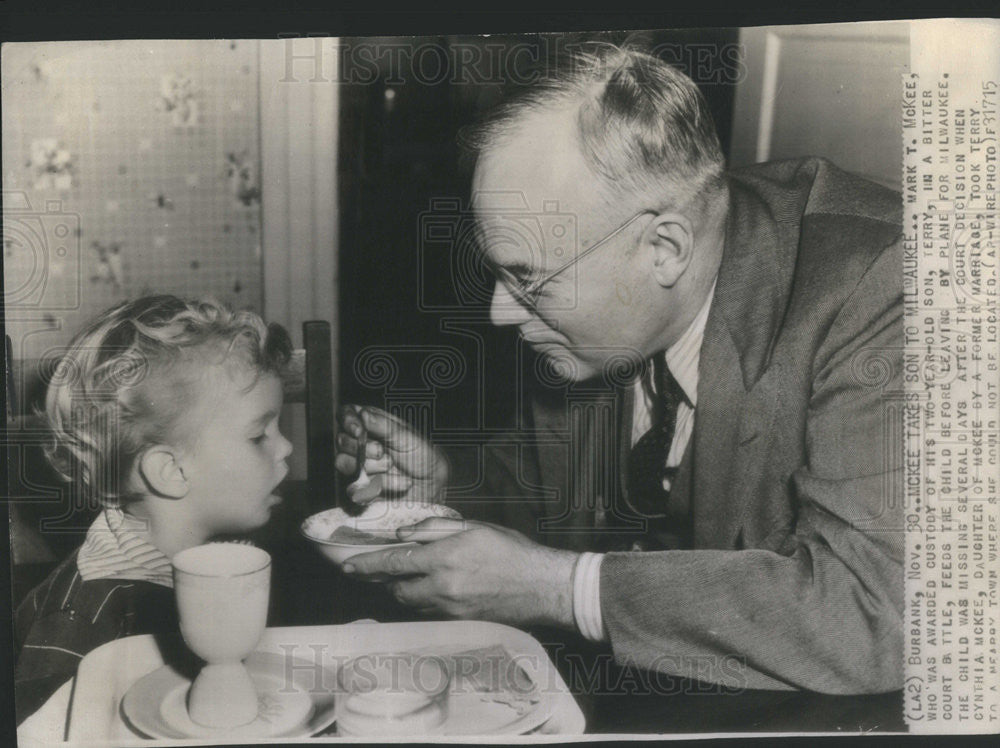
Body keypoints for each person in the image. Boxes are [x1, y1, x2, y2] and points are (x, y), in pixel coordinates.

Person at [335, 44, 903, 694]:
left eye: (525, 279)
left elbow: (880, 610)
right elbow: (543, 498)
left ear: (664, 249)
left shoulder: (885, 287)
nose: (499, 313)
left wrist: (563, 590)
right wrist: (443, 497)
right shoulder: (594, 318)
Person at [13, 295, 294, 723]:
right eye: (260, 436)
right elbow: (34, 729)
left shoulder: (213, 562)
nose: (287, 447)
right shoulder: (88, 612)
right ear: (170, 471)